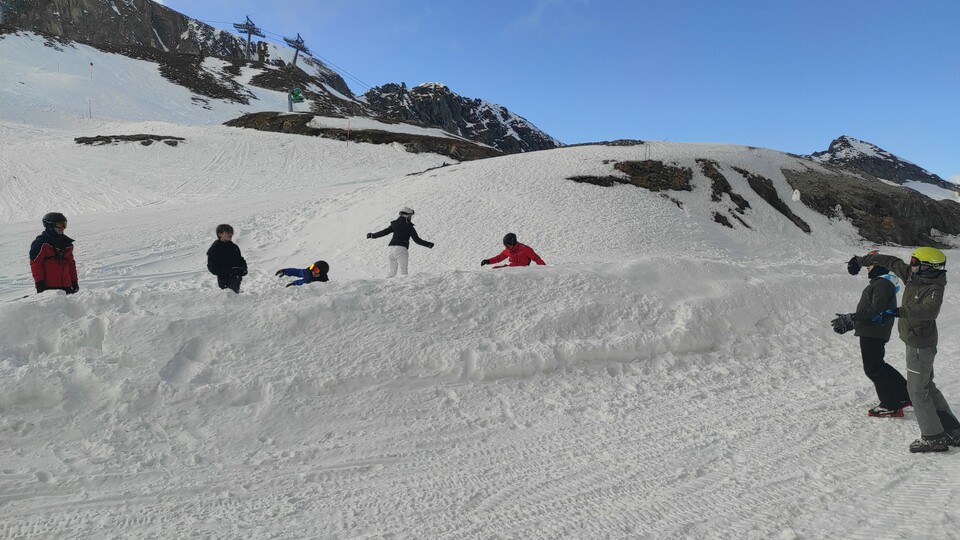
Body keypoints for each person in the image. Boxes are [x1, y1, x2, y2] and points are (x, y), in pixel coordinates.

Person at [851, 247, 960, 453]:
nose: (911, 265)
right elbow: (890, 261)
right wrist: (860, 260)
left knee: (917, 391)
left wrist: (898, 311)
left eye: (915, 262)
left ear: (928, 267)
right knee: (927, 386)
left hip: (921, 345)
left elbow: (930, 310)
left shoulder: (935, 288)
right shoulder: (912, 275)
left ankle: (933, 438)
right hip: (914, 341)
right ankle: (953, 430)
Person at [831, 254, 910, 417]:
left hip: (874, 332)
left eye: (870, 265)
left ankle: (890, 405)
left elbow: (875, 310)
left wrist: (852, 317)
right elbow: (872, 311)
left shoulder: (882, 284)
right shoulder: (881, 283)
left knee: (873, 369)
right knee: (879, 365)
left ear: (879, 266)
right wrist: (853, 322)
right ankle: (904, 395)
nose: (867, 267)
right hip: (873, 330)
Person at [367, 207, 434, 277]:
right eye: (410, 215)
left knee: (392, 272)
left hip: (391, 249)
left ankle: (386, 284)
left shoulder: (395, 224)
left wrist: (373, 235)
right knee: (403, 273)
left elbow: (385, 232)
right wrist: (429, 245)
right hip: (401, 249)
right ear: (407, 215)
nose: (411, 217)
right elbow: (417, 240)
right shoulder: (409, 226)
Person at [29, 212, 79, 295]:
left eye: (64, 224)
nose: (62, 227)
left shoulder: (67, 244)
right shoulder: (41, 243)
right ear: (50, 225)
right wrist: (39, 283)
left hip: (66, 286)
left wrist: (74, 281)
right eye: (59, 224)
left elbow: (71, 264)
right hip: (49, 287)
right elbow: (35, 263)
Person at [206, 224, 247, 293]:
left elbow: (240, 259)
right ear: (220, 234)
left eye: (231, 232)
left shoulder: (234, 247)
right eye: (228, 232)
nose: (231, 234)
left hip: (237, 281)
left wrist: (244, 269)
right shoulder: (215, 249)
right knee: (229, 297)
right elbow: (212, 268)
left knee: (237, 296)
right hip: (225, 284)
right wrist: (231, 271)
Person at [481, 233, 546, 268]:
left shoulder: (525, 249)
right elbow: (499, 257)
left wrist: (544, 270)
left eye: (508, 245)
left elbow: (536, 258)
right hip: (511, 268)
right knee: (495, 269)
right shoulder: (508, 250)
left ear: (513, 243)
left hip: (522, 269)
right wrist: (488, 261)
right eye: (505, 246)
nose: (507, 247)